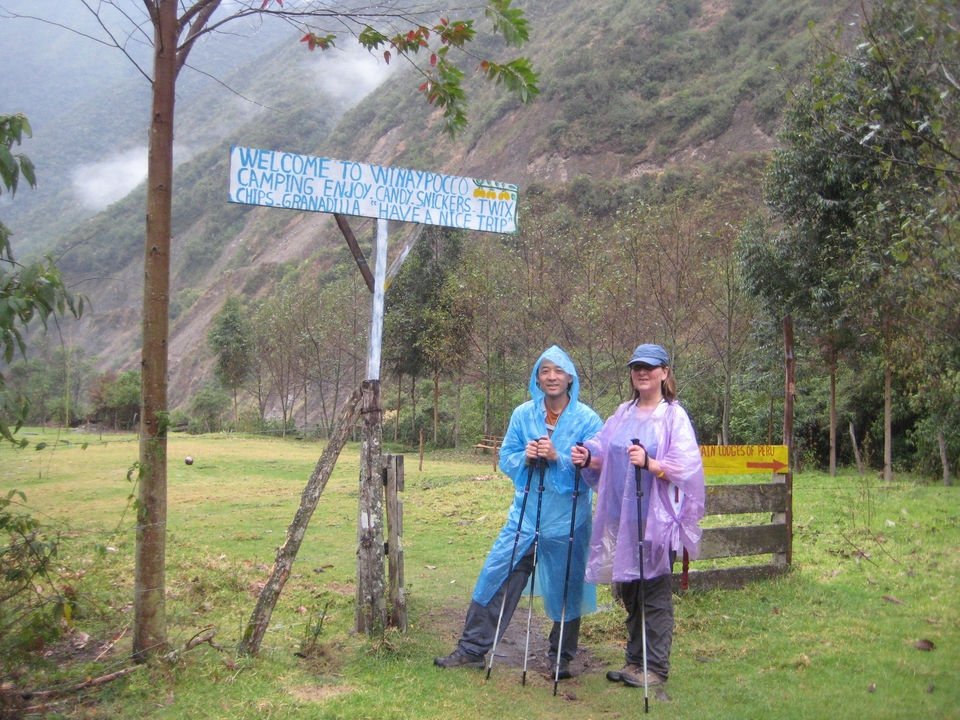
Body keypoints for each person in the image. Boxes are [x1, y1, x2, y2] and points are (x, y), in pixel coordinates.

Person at [435, 346, 602, 679]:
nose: (552, 377)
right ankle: (472, 649)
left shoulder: (588, 419)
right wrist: (525, 457)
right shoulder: (523, 415)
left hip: (568, 520)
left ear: (570, 377)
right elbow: (506, 458)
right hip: (524, 517)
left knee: (567, 586)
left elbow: (594, 469)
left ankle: (561, 658)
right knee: (496, 575)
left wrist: (559, 458)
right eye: (545, 371)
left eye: (559, 370)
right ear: (537, 378)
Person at [571, 343, 705, 690]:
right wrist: (588, 458)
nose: (642, 373)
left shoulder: (673, 415)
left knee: (654, 592)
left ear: (664, 372)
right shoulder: (623, 412)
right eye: (636, 367)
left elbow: (686, 467)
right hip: (622, 518)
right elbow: (604, 452)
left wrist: (651, 464)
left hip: (657, 519)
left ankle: (655, 667)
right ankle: (634, 662)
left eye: (649, 367)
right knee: (629, 590)